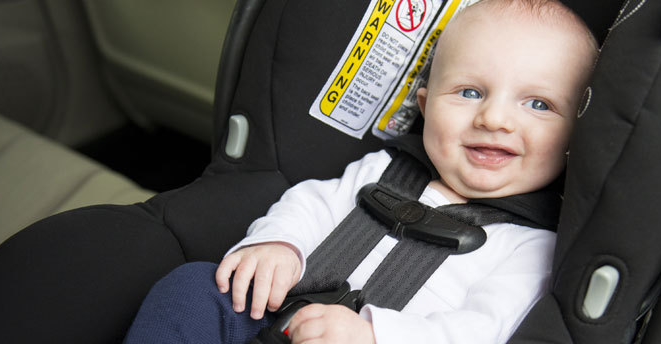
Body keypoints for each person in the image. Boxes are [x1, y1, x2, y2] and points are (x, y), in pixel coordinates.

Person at [123, 0, 598, 342]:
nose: (495, 119)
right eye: (470, 92)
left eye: (538, 104)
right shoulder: (386, 169)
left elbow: (483, 329)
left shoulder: (533, 246)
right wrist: (278, 243)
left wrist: (373, 333)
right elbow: (313, 202)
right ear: (426, 104)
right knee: (196, 288)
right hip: (285, 317)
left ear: (576, 136)